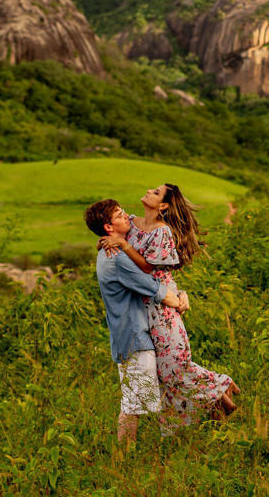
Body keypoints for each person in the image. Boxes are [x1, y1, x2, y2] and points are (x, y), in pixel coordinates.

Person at [100, 183, 239, 428]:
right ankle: (216, 414)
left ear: (163, 205)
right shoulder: (132, 223)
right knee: (165, 374)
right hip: (146, 307)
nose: (149, 191)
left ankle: (220, 387)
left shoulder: (161, 232)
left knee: (174, 368)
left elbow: (147, 268)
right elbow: (114, 231)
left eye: (156, 192)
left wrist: (123, 246)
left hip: (162, 307)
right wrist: (108, 241)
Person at [86, 198, 183, 450]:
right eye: (119, 214)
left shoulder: (109, 251)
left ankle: (132, 455)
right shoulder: (116, 258)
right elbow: (155, 289)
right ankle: (123, 460)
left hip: (128, 337)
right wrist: (181, 300)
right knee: (132, 406)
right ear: (109, 227)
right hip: (134, 339)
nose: (126, 215)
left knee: (137, 402)